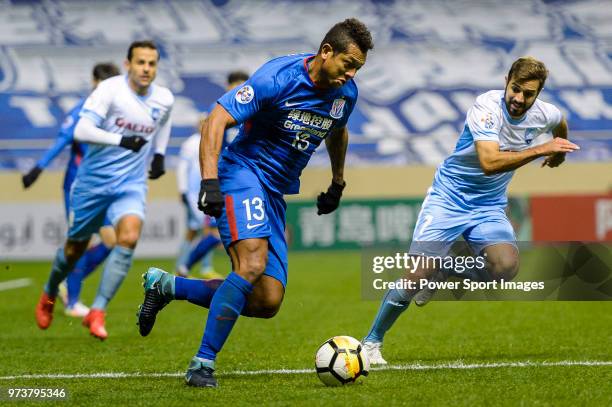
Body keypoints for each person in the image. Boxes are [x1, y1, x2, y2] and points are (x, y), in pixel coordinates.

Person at [137, 18, 374, 387]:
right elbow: (215, 120)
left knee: (267, 301)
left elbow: (337, 130)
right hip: (242, 173)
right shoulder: (277, 77)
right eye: (348, 63)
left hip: (274, 191)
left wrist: (338, 182)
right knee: (251, 263)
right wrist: (210, 182)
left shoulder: (347, 94)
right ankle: (202, 365)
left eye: (358, 67)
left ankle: (167, 286)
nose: (352, 73)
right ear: (326, 52)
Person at [361, 56, 579, 365]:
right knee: (416, 275)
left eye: (528, 94)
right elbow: (489, 163)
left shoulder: (546, 113)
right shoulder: (486, 107)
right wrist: (542, 150)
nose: (518, 99)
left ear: (538, 93)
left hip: (488, 205)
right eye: (515, 89)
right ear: (507, 81)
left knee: (505, 268)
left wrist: (560, 154)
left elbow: (560, 123)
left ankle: (444, 270)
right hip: (448, 198)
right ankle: (371, 342)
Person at [35, 40, 174, 340]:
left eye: (151, 63)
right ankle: (48, 294)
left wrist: (160, 154)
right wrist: (122, 141)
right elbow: (81, 131)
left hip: (131, 185)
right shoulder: (110, 90)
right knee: (74, 249)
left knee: (129, 237)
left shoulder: (164, 98)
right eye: (140, 62)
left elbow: (164, 122)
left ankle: (97, 311)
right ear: (128, 64)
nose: (146, 69)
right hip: (92, 184)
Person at [23, 63, 120, 318]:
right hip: (78, 186)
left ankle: (65, 282)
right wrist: (38, 168)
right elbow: (62, 140)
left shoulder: (115, 113)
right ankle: (72, 301)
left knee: (111, 241)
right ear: (94, 82)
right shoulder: (83, 111)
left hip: (102, 186)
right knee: (82, 241)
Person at [175, 71, 250, 278]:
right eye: (234, 84)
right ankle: (184, 268)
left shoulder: (252, 110)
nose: (237, 89)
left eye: (242, 85)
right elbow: (209, 148)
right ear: (227, 86)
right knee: (213, 232)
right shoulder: (218, 110)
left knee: (225, 232)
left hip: (245, 178)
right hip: (222, 180)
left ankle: (192, 268)